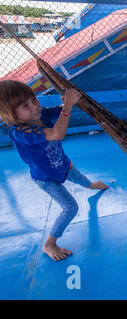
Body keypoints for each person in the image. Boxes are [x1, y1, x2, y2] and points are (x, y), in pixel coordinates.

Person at [0, 80, 108, 261]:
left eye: (33, 99)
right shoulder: (20, 132)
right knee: (70, 208)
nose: (34, 106)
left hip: (62, 164)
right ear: (11, 114)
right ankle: (50, 243)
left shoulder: (41, 114)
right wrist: (67, 107)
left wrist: (66, 102)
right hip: (46, 178)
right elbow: (57, 133)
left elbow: (60, 109)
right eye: (26, 106)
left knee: (79, 177)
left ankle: (90, 185)